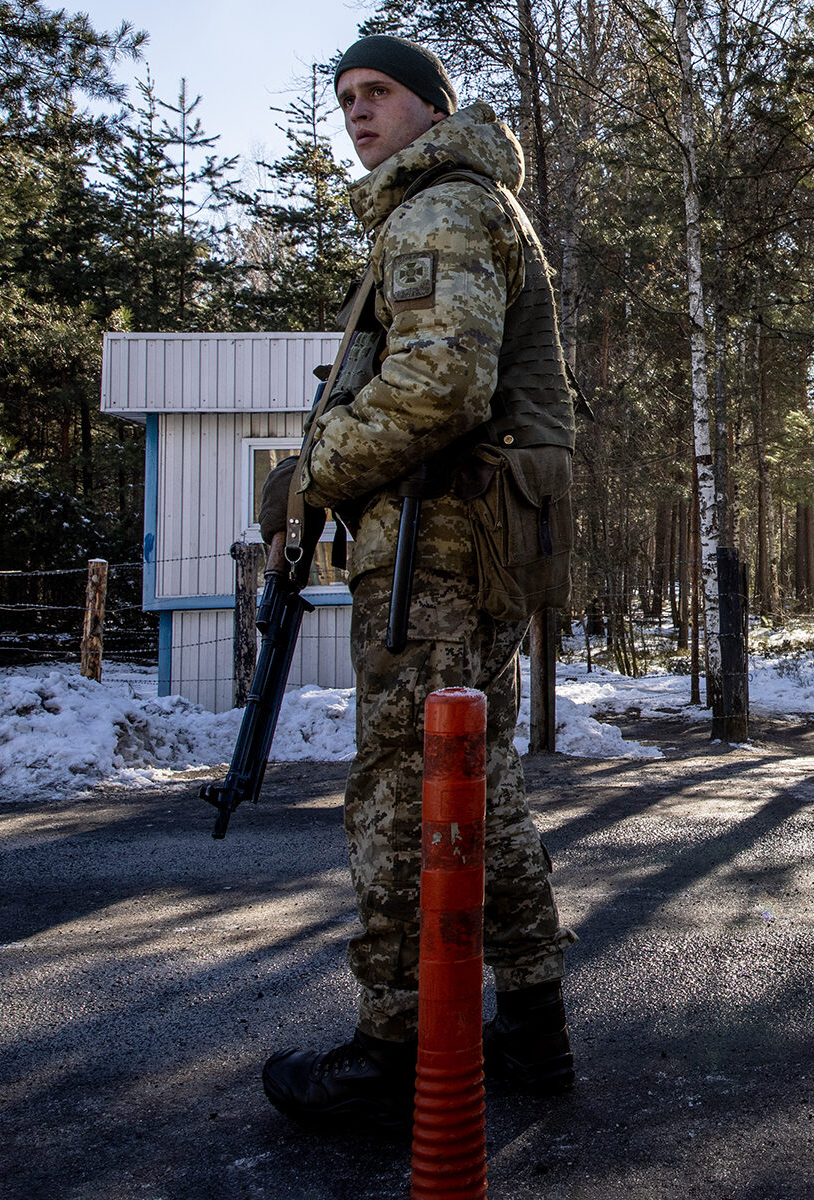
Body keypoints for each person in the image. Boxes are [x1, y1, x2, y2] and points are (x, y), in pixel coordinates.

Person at [254, 34, 578, 1131]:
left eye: (378, 92)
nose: (357, 111)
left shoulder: (438, 207)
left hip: (437, 553)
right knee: (480, 792)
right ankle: (535, 1031)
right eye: (345, 96)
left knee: (405, 792)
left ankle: (396, 1044)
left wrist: (314, 475)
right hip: (464, 547)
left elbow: (440, 387)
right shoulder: (456, 203)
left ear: (433, 109)